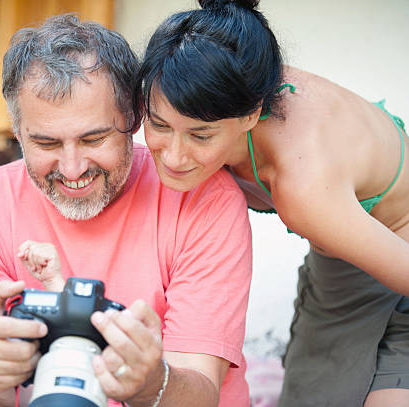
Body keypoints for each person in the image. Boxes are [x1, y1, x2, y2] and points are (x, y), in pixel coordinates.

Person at [0, 13, 252, 407]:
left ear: (134, 117)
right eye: (46, 144)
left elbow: (200, 392)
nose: (73, 168)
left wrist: (152, 383)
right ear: (17, 132)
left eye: (94, 138)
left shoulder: (203, 199)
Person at [133, 1, 409, 406]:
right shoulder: (231, 68)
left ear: (251, 115)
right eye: (159, 125)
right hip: (344, 258)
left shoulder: (303, 186)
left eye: (201, 136)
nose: (173, 156)